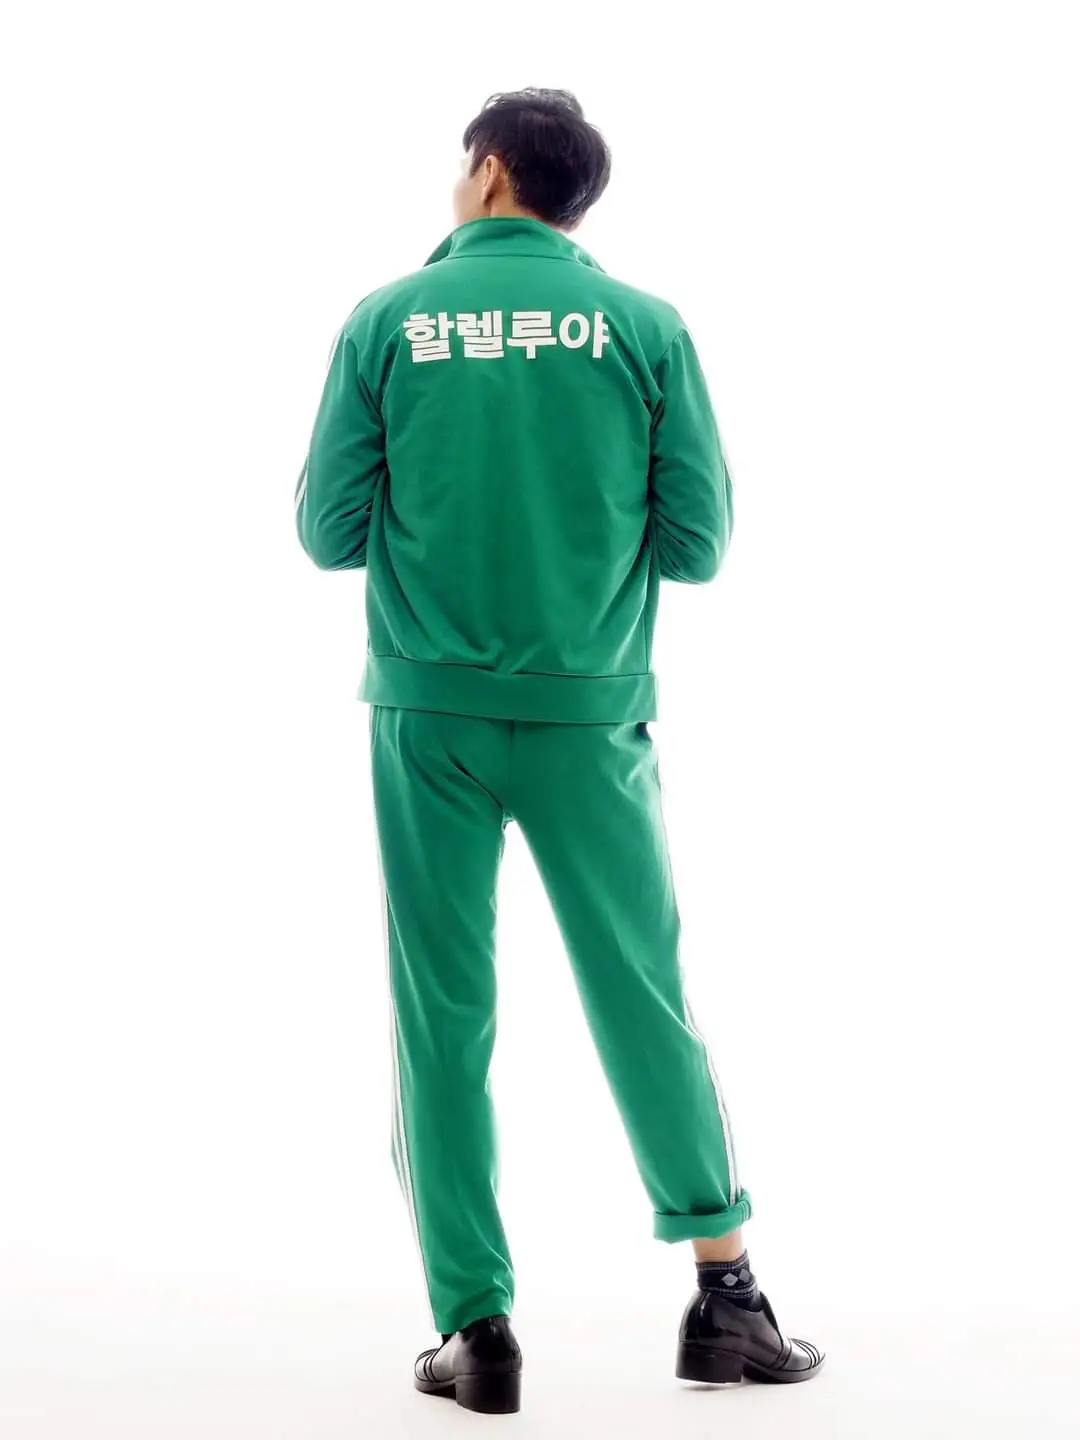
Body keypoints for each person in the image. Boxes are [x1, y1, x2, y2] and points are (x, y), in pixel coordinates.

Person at [295, 87, 823, 1415]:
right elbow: (698, 545)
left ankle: (476, 1333)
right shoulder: (644, 326)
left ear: (487, 171)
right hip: (591, 712)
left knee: (441, 1015)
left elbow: (327, 531)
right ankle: (726, 1295)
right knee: (644, 993)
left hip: (429, 713)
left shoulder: (387, 320)